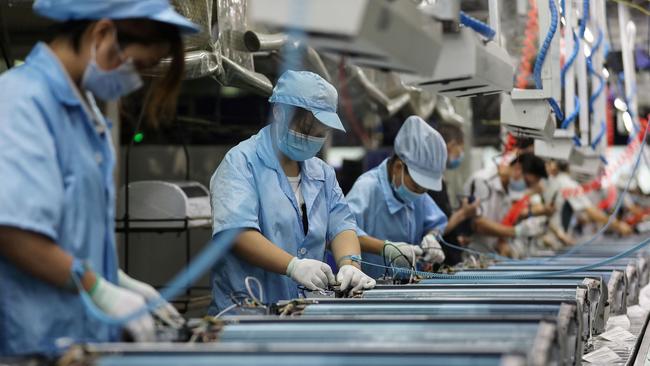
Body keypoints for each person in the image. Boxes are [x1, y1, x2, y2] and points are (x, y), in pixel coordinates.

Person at [0, 0, 199, 357]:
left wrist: (118, 281)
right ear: (104, 32)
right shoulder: (20, 102)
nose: (134, 80)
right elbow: (14, 232)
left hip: (81, 341)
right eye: (137, 65)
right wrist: (99, 290)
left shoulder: (88, 114)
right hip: (33, 342)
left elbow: (74, 237)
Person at [208, 70, 375, 314]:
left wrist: (350, 265)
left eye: (321, 134)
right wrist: (292, 266)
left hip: (303, 312)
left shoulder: (322, 173)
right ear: (280, 113)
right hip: (247, 314)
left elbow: (342, 227)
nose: (313, 139)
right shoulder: (241, 163)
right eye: (307, 130)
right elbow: (237, 233)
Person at [346, 116, 449, 279]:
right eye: (416, 186)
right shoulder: (367, 188)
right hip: (368, 291)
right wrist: (386, 248)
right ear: (398, 167)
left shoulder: (418, 193)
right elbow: (342, 234)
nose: (420, 193)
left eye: (425, 189)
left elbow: (436, 222)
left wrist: (432, 237)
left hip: (409, 284)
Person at [463, 153, 549, 257]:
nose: (525, 187)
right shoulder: (483, 181)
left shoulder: (507, 190)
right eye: (526, 182)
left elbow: (501, 223)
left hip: (490, 255)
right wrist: (516, 231)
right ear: (517, 168)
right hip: (472, 254)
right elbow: (479, 224)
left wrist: (503, 244)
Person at [427, 122, 479, 266]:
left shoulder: (439, 179)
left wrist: (456, 238)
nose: (460, 156)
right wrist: (463, 213)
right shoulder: (431, 182)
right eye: (459, 151)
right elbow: (435, 228)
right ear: (450, 145)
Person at [544, 160, 632, 241]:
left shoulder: (556, 181)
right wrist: (618, 225)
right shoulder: (568, 184)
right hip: (557, 239)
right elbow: (591, 211)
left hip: (557, 236)